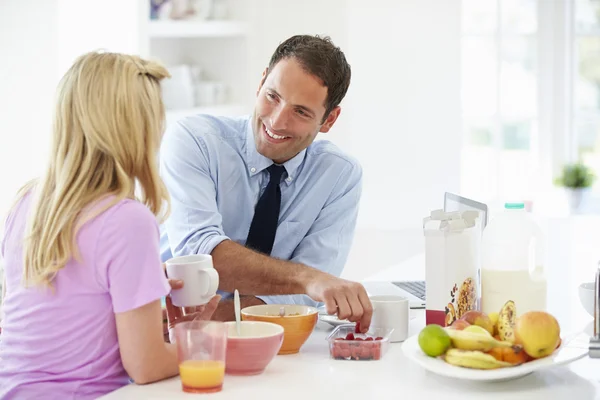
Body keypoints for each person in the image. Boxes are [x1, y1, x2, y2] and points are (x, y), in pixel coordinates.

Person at [0, 51, 219, 399]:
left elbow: (50, 325)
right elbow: (145, 366)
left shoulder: (27, 203)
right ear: (133, 128)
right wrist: (201, 342)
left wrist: (141, 295)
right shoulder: (127, 221)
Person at [159, 34, 373, 330]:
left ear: (329, 120)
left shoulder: (339, 175)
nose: (277, 121)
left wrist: (218, 319)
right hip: (165, 331)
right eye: (273, 96)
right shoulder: (194, 140)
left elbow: (308, 296)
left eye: (300, 112)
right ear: (261, 82)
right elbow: (200, 256)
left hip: (254, 334)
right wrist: (306, 278)